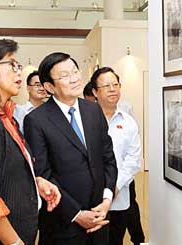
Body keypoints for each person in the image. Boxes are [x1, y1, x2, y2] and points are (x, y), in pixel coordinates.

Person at [23, 52, 118, 245]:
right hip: (63, 224)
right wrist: (76, 214)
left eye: (75, 71)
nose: (75, 78)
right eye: (65, 76)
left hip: (100, 218)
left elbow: (108, 158)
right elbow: (43, 174)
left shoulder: (93, 110)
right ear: (49, 86)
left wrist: (106, 200)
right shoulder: (36, 120)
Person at [0, 39, 60, 245]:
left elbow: (3, 171)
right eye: (11, 65)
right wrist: (15, 243)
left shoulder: (7, 117)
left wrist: (35, 182)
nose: (18, 72)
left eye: (18, 66)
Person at [91, 67, 145, 245]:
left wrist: (115, 185)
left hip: (119, 196)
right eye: (106, 85)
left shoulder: (128, 121)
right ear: (95, 92)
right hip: (90, 198)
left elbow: (133, 159)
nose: (113, 89)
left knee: (115, 239)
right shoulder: (84, 120)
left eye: (115, 84)